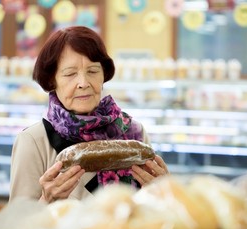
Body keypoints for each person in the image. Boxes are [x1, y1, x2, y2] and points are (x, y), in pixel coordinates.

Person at [9, 26, 169, 204]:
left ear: (103, 76)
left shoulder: (135, 134)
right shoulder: (34, 141)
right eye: (70, 74)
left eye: (92, 71)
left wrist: (162, 194)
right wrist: (46, 200)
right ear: (52, 80)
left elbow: (153, 216)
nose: (83, 83)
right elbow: (17, 226)